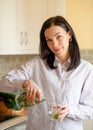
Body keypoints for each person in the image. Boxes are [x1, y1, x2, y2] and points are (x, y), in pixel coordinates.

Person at [0, 15, 93, 130]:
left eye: (58, 37)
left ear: (69, 35)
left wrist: (71, 110)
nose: (54, 45)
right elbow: (3, 83)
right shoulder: (36, 64)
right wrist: (25, 83)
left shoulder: (86, 70)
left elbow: (90, 109)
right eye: (49, 40)